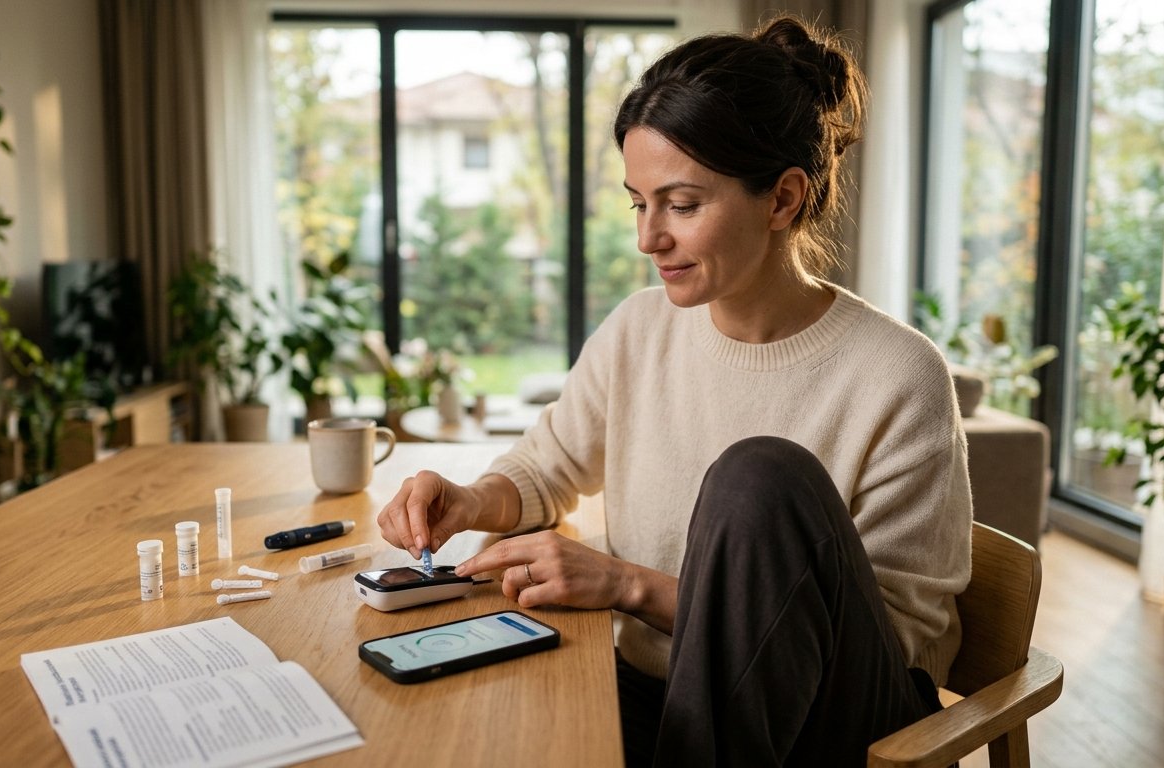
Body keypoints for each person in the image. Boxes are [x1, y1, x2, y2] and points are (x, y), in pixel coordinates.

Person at [376, 13, 972, 767]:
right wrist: (469, 499)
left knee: (760, 476)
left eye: (682, 206)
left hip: (836, 718)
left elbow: (884, 638)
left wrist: (627, 584)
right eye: (639, 202)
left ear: (783, 199)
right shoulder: (640, 330)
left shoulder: (898, 376)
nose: (647, 238)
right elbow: (549, 466)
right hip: (655, 690)